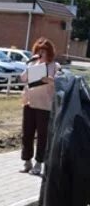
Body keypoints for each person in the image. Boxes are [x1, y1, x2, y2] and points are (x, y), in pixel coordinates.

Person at [20, 37, 59, 176]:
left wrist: (50, 80)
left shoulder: (54, 66)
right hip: (29, 103)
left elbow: (60, 83)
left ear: (49, 52)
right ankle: (27, 161)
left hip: (45, 105)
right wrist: (31, 65)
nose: (41, 53)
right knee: (27, 134)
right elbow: (23, 78)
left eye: (44, 51)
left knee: (42, 135)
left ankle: (39, 163)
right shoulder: (33, 64)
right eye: (39, 51)